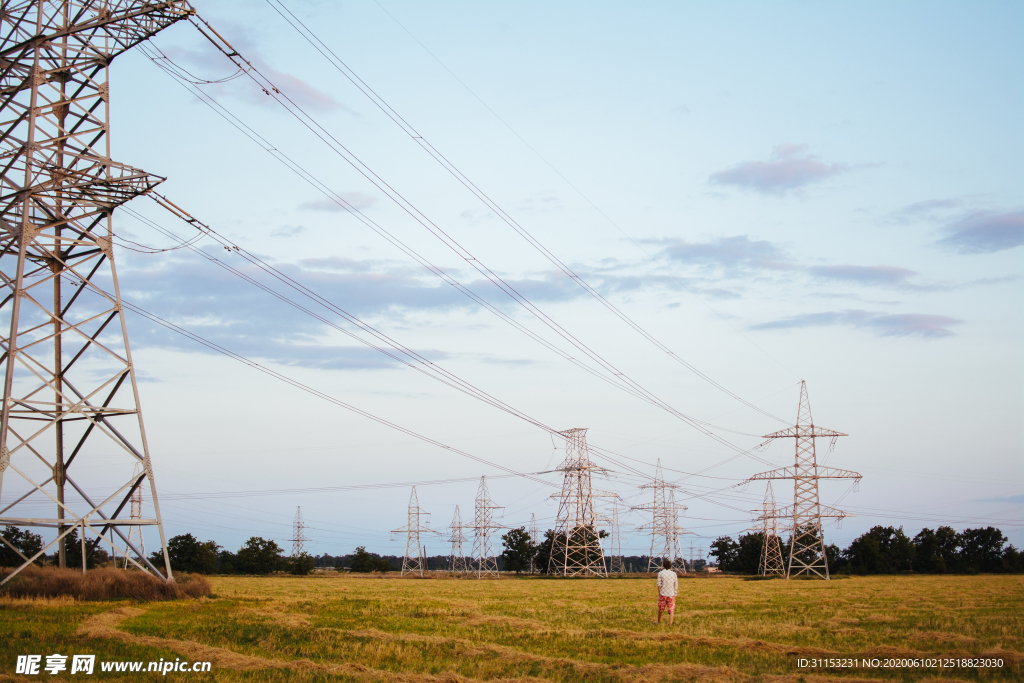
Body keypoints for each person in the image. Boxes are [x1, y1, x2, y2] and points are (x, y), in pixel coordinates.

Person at [656, 558, 678, 625]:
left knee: (660, 609)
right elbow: (676, 584)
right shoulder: (674, 574)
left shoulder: (660, 573)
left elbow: (659, 584)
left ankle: (658, 621)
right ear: (670, 566)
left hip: (663, 593)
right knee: (671, 609)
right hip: (671, 594)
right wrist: (675, 592)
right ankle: (670, 623)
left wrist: (659, 592)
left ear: (663, 566)